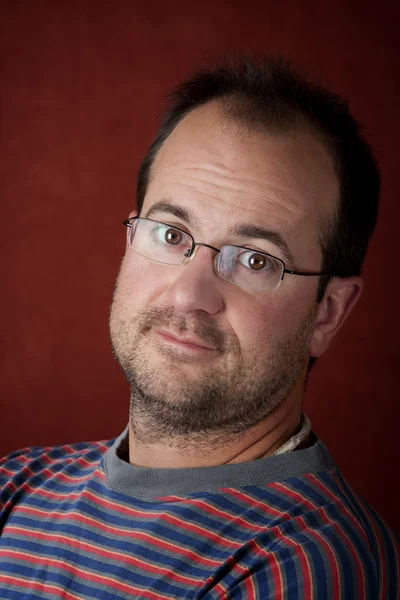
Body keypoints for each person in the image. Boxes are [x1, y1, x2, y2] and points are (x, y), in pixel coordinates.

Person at [1, 56, 399, 599]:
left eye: (256, 261)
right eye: (170, 234)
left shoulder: (311, 563)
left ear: (326, 313)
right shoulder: (16, 487)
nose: (190, 293)